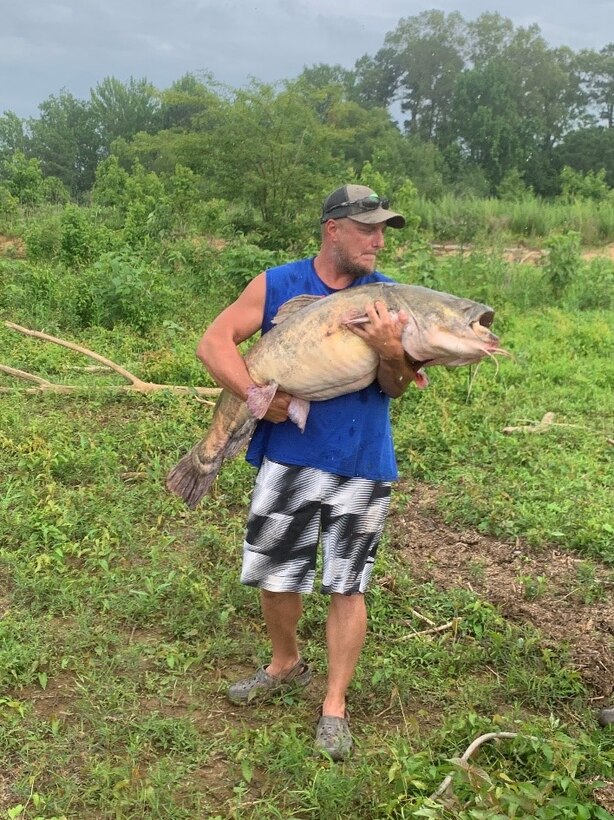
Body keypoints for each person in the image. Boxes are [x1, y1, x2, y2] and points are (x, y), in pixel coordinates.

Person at [196, 184, 413, 760]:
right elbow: (213, 341)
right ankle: (284, 662)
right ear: (332, 229)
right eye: (367, 227)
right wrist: (250, 393)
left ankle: (334, 706)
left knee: (348, 583)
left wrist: (393, 351)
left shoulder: (386, 299)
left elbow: (395, 387)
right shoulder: (278, 283)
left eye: (383, 229)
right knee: (276, 577)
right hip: (288, 457)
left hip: (363, 460)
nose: (378, 239)